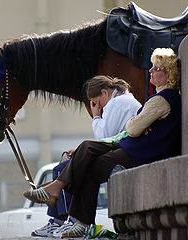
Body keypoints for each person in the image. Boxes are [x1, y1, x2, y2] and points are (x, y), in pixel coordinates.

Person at [24, 48, 181, 238]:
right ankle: (62, 196)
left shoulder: (162, 100)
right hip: (132, 145)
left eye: (156, 68)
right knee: (86, 148)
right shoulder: (159, 98)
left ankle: (73, 212)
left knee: (87, 162)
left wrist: (134, 121)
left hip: (138, 151)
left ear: (168, 75)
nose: (150, 70)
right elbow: (135, 126)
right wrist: (139, 121)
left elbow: (131, 128)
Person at [29, 75, 141, 237]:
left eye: (96, 102)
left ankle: (64, 215)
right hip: (117, 147)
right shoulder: (120, 101)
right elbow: (109, 138)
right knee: (67, 164)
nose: (98, 106)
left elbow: (105, 135)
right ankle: (60, 214)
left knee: (68, 166)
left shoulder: (116, 103)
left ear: (104, 93)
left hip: (123, 150)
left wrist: (96, 116)